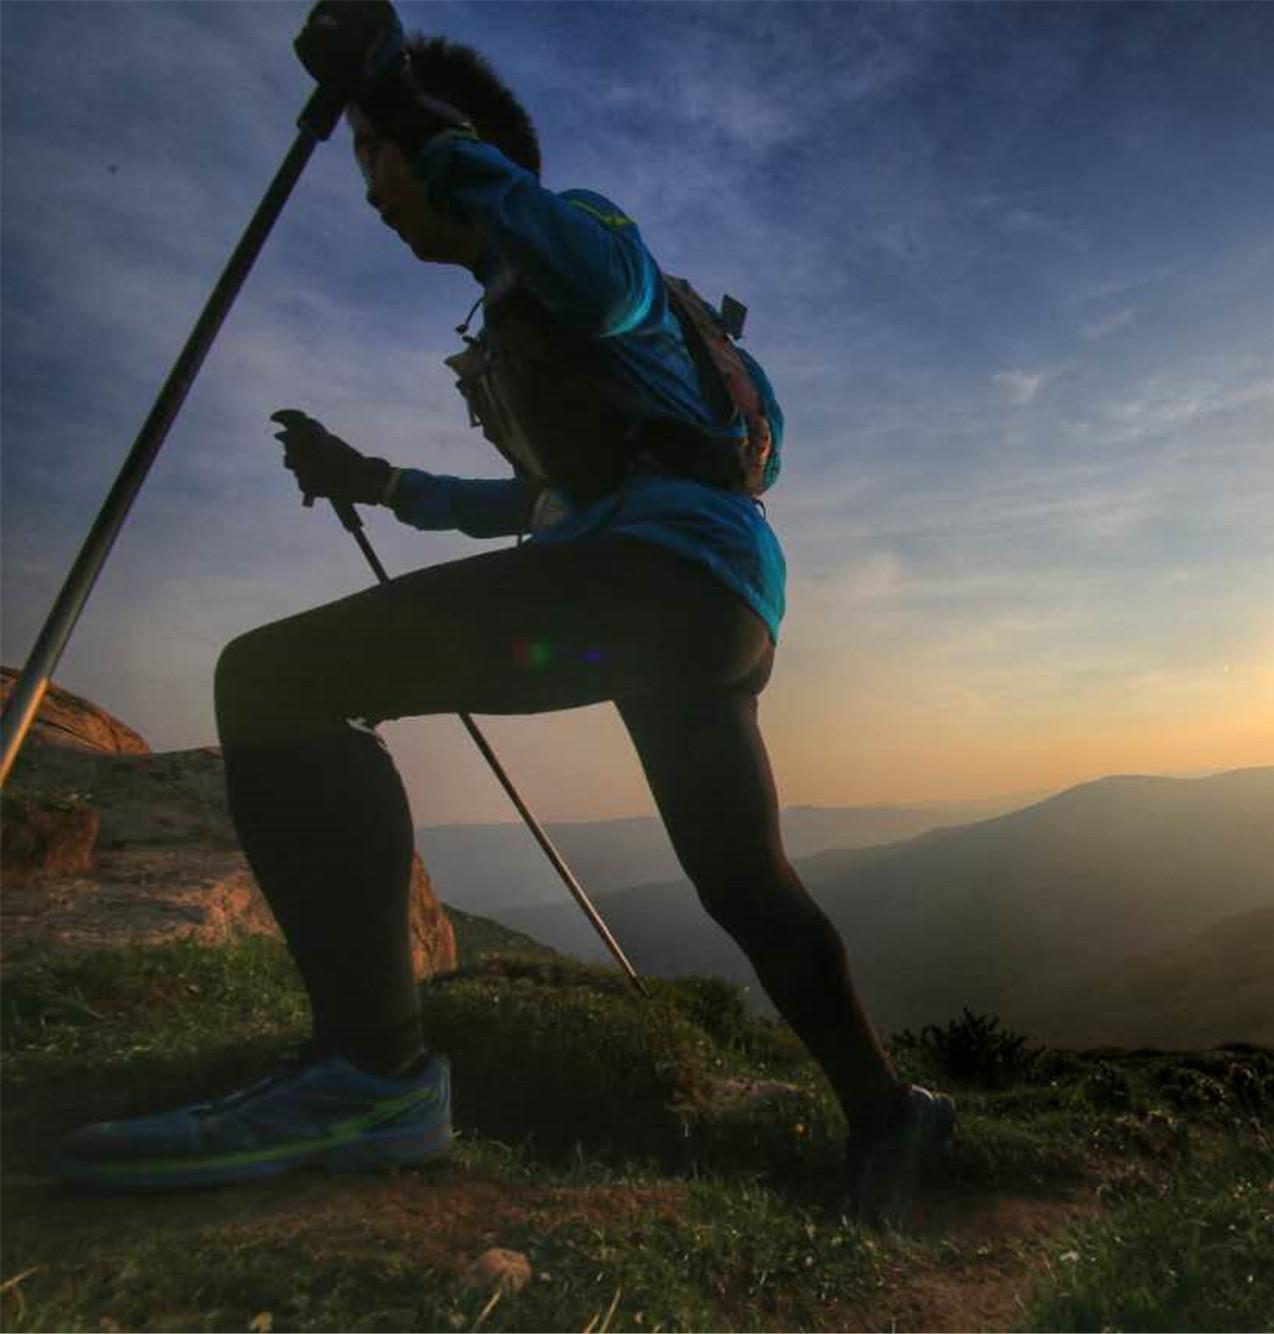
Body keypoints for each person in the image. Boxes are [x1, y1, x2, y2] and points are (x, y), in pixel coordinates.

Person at [58, 4, 952, 1218]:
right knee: (744, 881)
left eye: (377, 163)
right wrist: (379, 482)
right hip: (701, 600)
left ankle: (369, 1078)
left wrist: (407, 105)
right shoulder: (538, 301)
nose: (375, 193)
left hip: (655, 580)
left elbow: (607, 282)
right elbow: (545, 505)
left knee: (276, 681)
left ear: (438, 142)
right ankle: (891, 1113)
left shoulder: (575, 233)